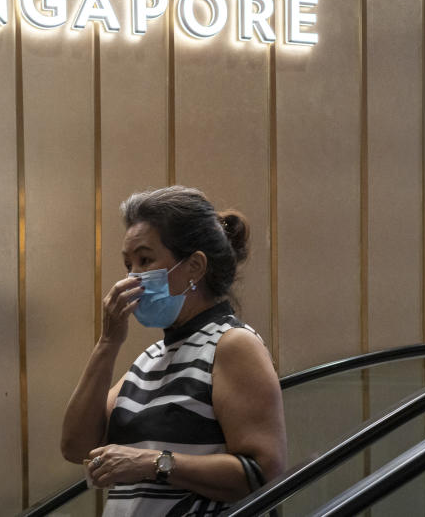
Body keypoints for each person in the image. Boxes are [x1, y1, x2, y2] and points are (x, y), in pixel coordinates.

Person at [61, 186, 287, 515]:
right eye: (128, 265)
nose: (131, 279)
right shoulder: (150, 358)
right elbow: (76, 446)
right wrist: (108, 342)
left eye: (145, 260)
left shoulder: (232, 344)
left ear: (194, 267)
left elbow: (263, 470)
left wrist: (156, 463)